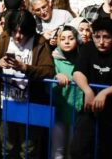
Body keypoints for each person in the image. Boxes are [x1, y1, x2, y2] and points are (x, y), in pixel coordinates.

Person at [0, 9, 54, 159]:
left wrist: (25, 68)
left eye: (22, 32)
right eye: (15, 31)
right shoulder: (5, 37)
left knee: (28, 149)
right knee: (6, 147)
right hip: (6, 102)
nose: (17, 36)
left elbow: (49, 71)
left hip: (30, 104)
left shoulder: (39, 42)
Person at [69, 17, 112, 159]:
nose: (101, 42)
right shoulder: (88, 48)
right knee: (77, 150)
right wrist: (87, 90)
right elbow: (77, 72)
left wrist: (105, 92)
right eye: (97, 37)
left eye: (106, 37)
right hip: (89, 111)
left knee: (105, 153)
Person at [50, 25, 81, 159]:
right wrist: (56, 77)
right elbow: (47, 81)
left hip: (77, 110)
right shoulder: (53, 59)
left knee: (73, 150)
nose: (67, 42)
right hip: (59, 109)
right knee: (58, 150)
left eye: (71, 38)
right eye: (63, 39)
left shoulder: (82, 58)